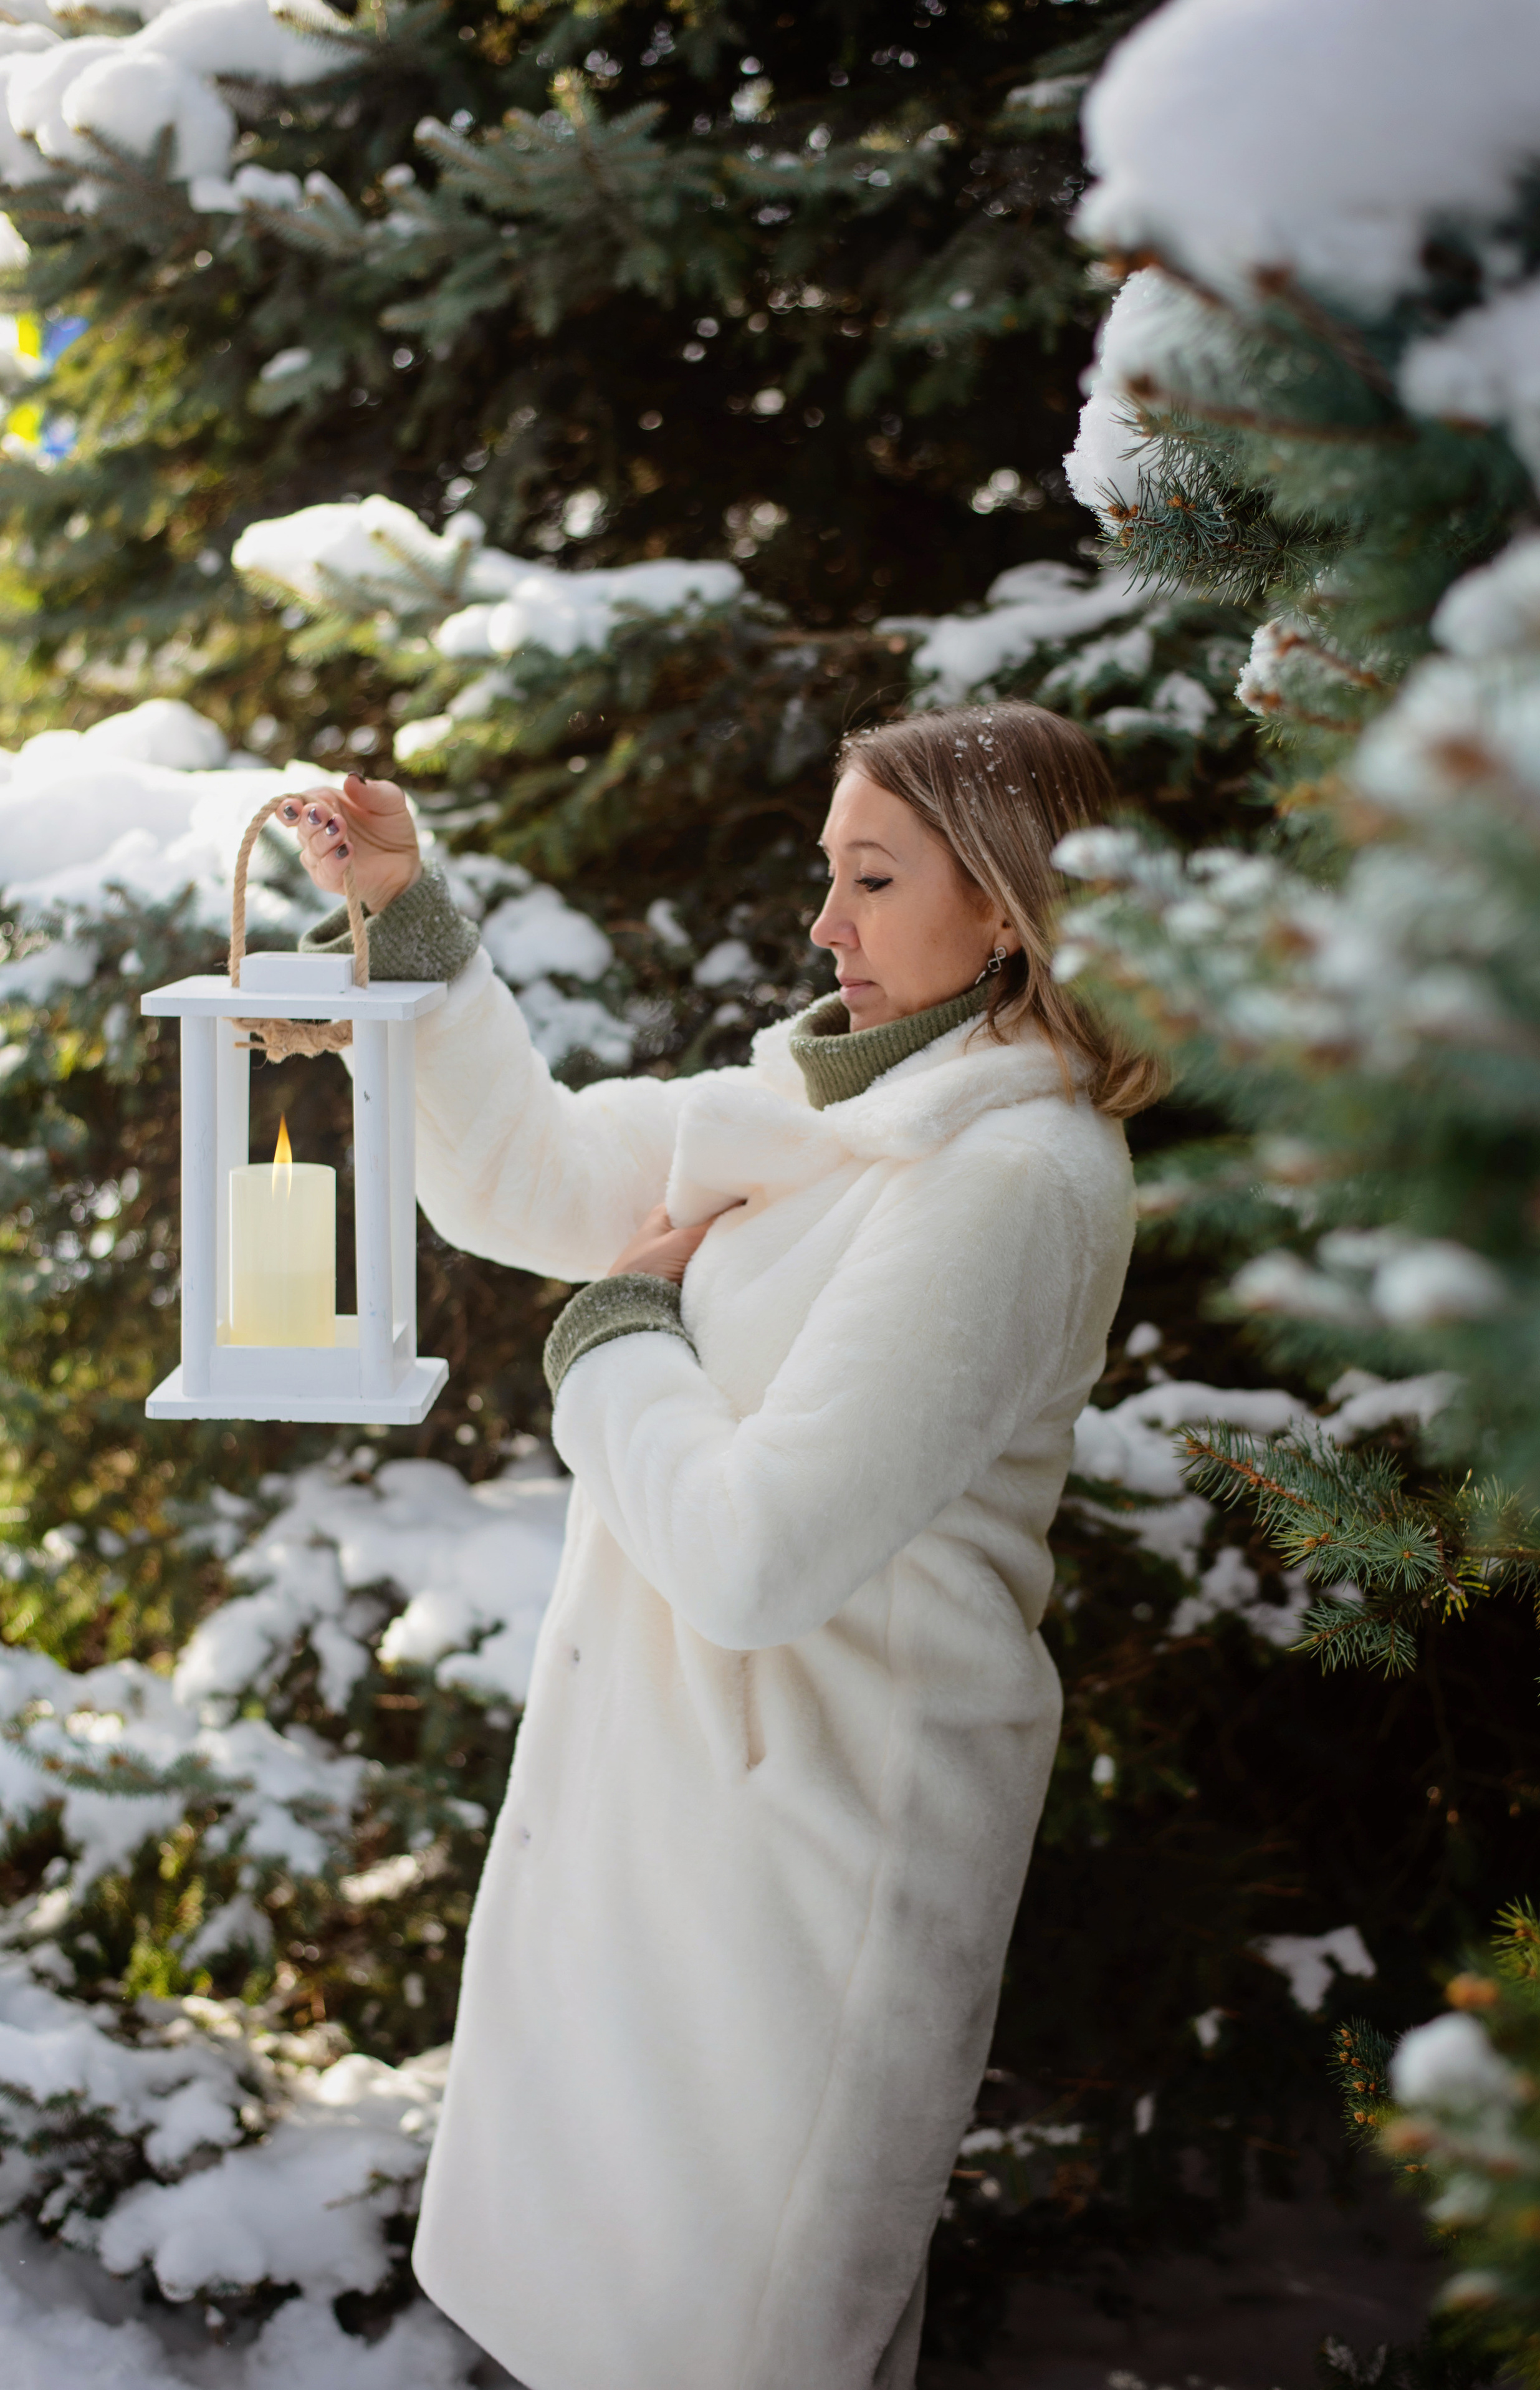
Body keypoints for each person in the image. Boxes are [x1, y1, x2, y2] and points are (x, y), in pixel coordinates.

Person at [275, 700, 1156, 2390]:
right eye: (829, 873)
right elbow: (525, 1179)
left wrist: (615, 1339)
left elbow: (758, 1553)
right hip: (666, 1840)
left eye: (876, 880)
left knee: (738, 2348)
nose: (827, 925)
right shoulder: (819, 1100)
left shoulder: (1014, 1177)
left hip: (809, 1873)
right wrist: (408, 917)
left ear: (1010, 902)